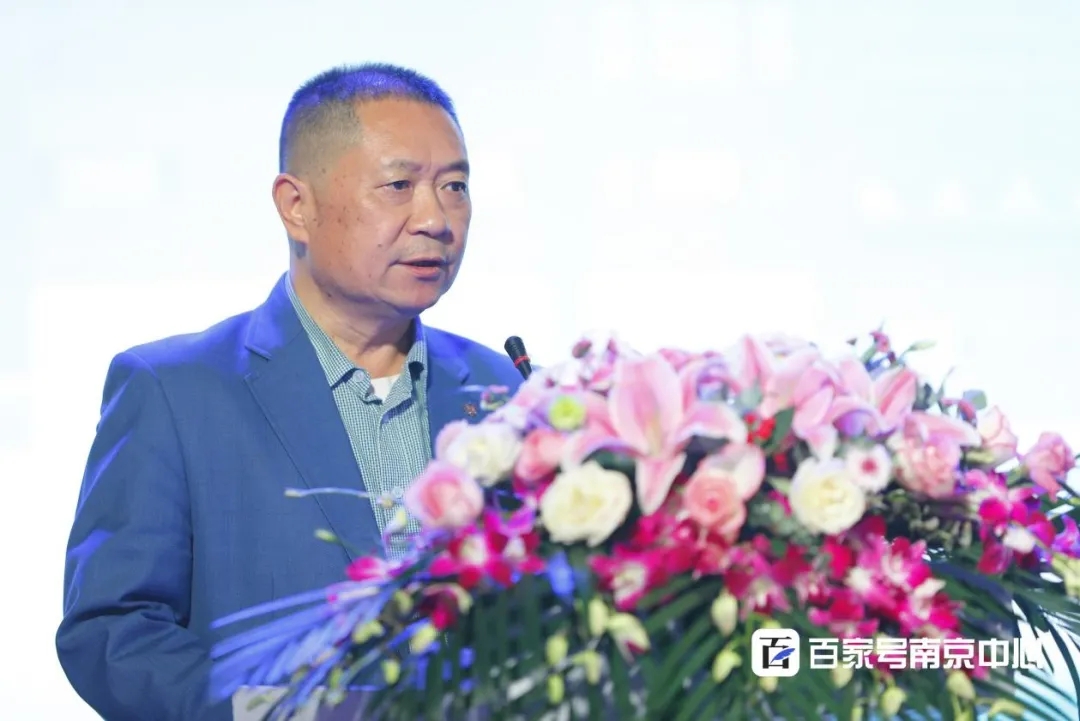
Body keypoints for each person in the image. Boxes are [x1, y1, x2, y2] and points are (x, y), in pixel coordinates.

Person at [55, 63, 525, 721]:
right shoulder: (175, 392)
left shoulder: (505, 389)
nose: (435, 219)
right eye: (399, 186)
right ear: (296, 206)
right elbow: (113, 632)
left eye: (455, 186)